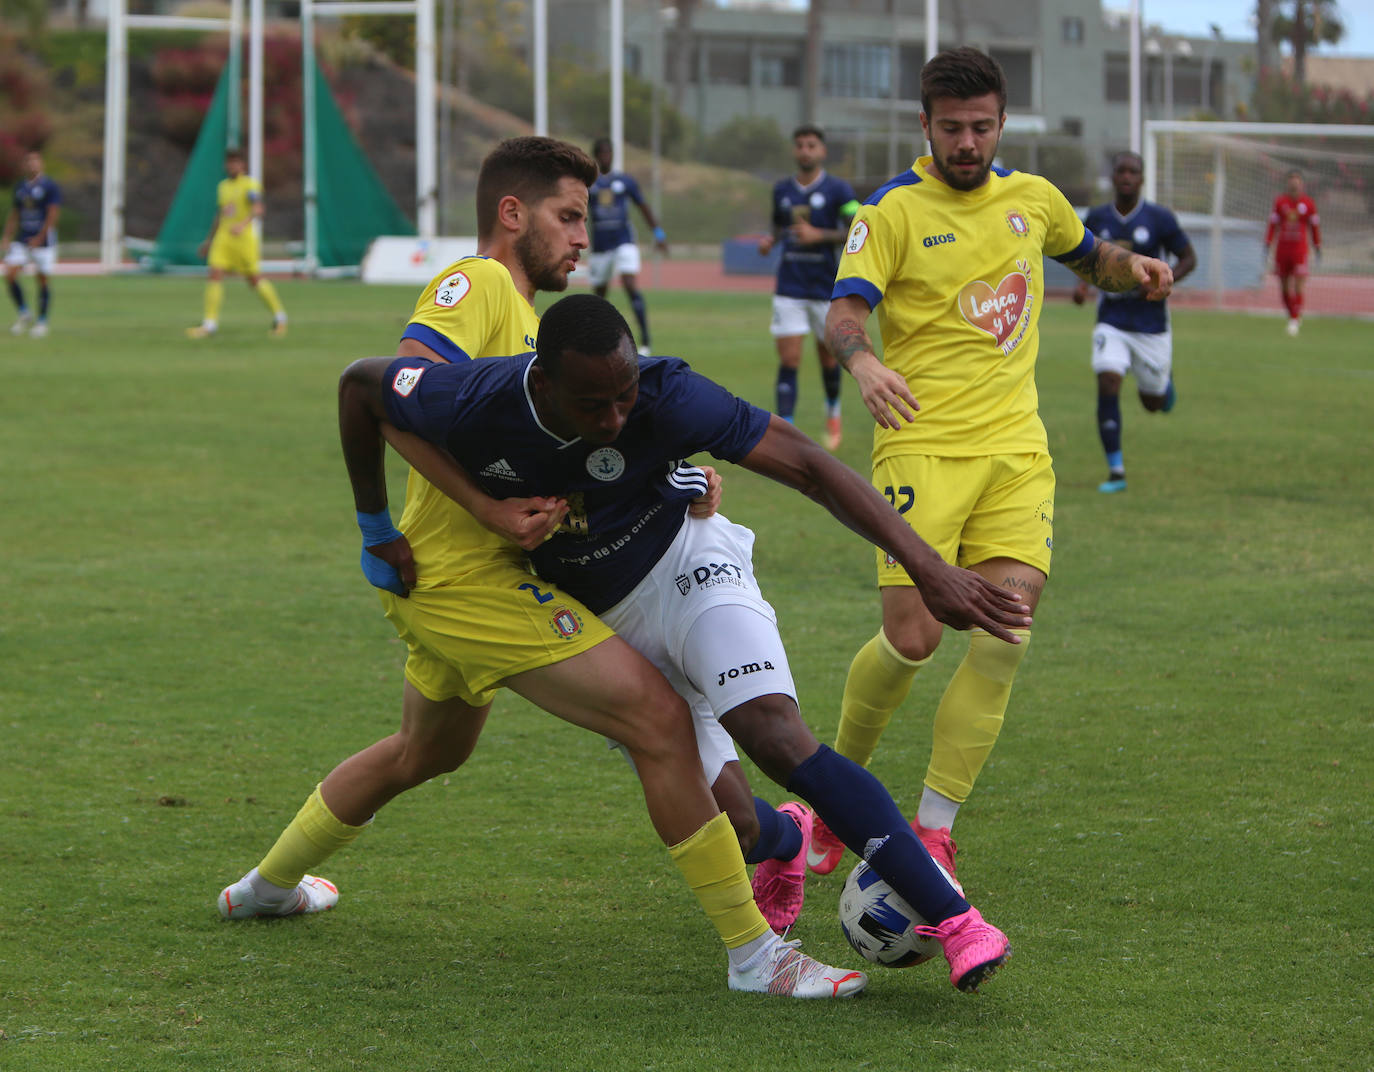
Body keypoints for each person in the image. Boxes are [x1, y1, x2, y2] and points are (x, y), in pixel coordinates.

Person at [217, 136, 864, 1000]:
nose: (581, 238)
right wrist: (404, 523)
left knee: (423, 752)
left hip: (457, 583)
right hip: (467, 580)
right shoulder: (479, 284)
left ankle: (263, 889)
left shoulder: (531, 320)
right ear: (511, 214)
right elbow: (384, 393)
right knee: (660, 723)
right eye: (568, 216)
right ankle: (757, 956)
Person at [362, 293, 1031, 992]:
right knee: (734, 825)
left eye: (625, 395)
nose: (617, 418)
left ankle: (957, 921)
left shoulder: (666, 392)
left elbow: (805, 463)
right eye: (595, 404)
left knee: (774, 733)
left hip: (689, 565)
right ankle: (786, 841)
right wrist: (381, 525)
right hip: (608, 623)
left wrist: (927, 568)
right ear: (544, 383)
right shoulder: (475, 399)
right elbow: (361, 390)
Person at [810, 47, 1174, 886]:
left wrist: (1136, 269)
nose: (966, 143)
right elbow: (845, 309)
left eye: (980, 127)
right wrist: (865, 364)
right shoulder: (890, 211)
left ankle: (933, 828)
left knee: (1007, 628)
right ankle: (834, 799)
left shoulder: (1032, 199)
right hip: (921, 444)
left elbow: (1090, 257)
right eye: (951, 129)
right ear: (926, 127)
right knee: (914, 637)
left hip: (1015, 450)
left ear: (1002, 124)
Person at [1072, 151, 1196, 494]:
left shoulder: (1159, 218)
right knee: (1108, 381)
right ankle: (1116, 471)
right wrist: (1082, 286)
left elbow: (1189, 258)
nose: (1127, 176)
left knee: (1151, 403)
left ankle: (1163, 388)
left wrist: (1166, 280)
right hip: (1111, 318)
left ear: (1142, 179)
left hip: (1151, 324)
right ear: (1113, 177)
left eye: (1133, 172)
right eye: (1121, 171)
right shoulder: (1096, 217)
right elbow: (1085, 258)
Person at [758, 126, 859, 451]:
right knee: (789, 358)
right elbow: (778, 223)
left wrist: (821, 235)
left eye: (811, 145)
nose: (805, 150)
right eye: (800, 145)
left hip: (824, 288)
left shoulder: (839, 190)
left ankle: (833, 413)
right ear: (794, 150)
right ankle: (786, 433)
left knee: (829, 361)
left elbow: (857, 226)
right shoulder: (782, 190)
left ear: (822, 151)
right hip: (789, 285)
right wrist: (770, 239)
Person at [186, 147, 288, 339]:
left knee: (254, 280)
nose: (232, 166)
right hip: (224, 239)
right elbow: (220, 215)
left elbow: (258, 209)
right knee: (214, 274)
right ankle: (210, 324)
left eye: (236, 162)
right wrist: (209, 240)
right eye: (229, 162)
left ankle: (280, 317)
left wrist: (242, 225)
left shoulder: (250, 185)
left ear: (242, 165)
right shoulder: (223, 186)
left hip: (244, 240)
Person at [587, 137, 667, 356]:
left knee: (630, 284)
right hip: (601, 247)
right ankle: (596, 341)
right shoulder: (589, 184)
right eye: (601, 153)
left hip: (624, 242)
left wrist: (658, 233)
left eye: (608, 152)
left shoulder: (625, 181)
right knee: (599, 296)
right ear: (596, 156)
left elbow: (643, 207)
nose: (605, 156)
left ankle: (645, 340)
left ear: (613, 155)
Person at [3, 149, 61, 338]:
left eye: (35, 161)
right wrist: (6, 236)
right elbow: (15, 213)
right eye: (29, 162)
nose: (32, 165)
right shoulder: (21, 187)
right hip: (23, 237)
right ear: (25, 165)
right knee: (10, 273)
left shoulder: (50, 186)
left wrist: (40, 237)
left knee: (42, 279)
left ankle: (42, 321)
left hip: (43, 241)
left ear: (41, 164)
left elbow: (53, 214)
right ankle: (24, 312)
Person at [1264, 169, 1321, 337]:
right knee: (1283, 287)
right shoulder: (1280, 202)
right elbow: (1272, 225)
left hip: (1300, 250)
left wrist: (1317, 246)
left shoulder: (1308, 204)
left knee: (1298, 285)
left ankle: (1294, 319)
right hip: (1282, 250)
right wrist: (1267, 243)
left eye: (1297, 181)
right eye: (1291, 181)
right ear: (1288, 183)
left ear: (1302, 183)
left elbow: (1314, 227)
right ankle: (1292, 315)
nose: (1294, 184)